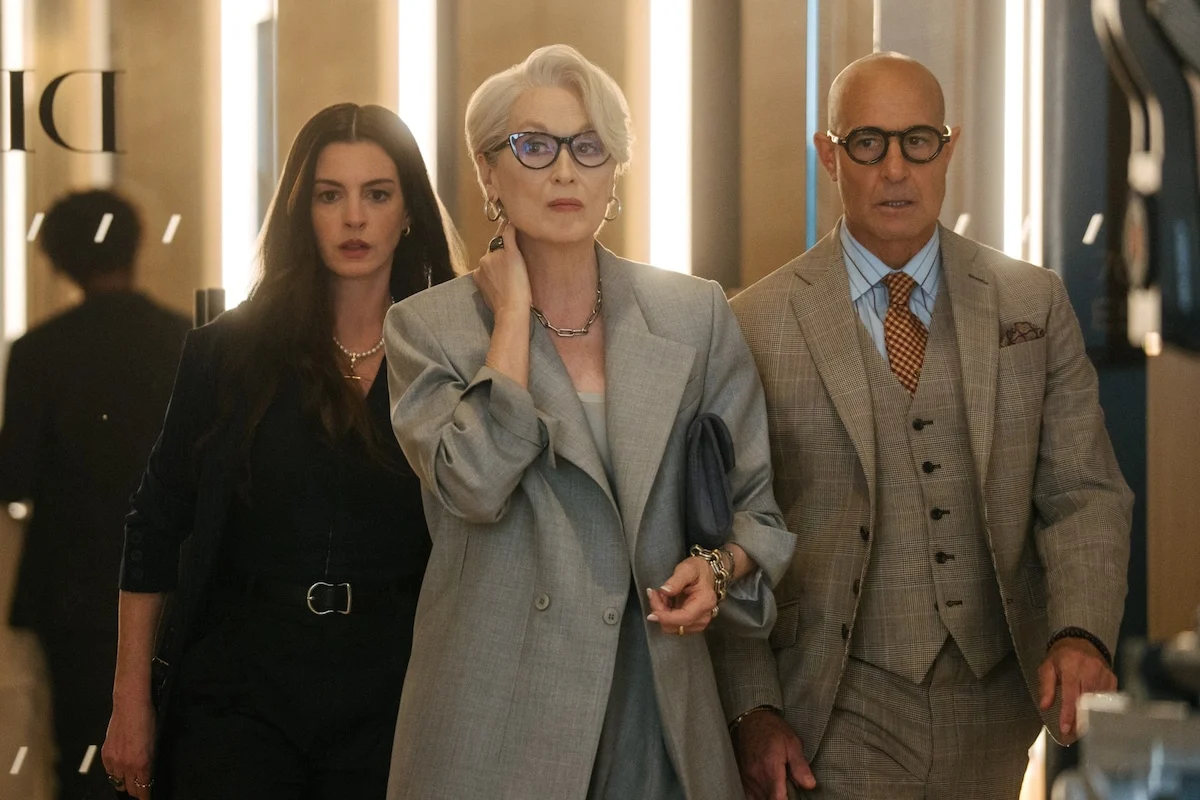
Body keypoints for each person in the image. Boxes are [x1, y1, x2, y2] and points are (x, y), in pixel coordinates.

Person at [710, 52, 1134, 800]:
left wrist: (1080, 631)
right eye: (868, 143)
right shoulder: (755, 324)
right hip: (831, 711)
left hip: (996, 707)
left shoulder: (1031, 304)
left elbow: (1085, 493)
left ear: (949, 147)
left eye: (918, 142)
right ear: (829, 156)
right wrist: (752, 707)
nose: (895, 169)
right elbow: (729, 532)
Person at [383, 44, 795, 800]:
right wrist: (512, 318)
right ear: (488, 172)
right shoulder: (426, 329)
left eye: (589, 146)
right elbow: (473, 485)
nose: (566, 171)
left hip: (657, 710)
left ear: (615, 172)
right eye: (534, 147)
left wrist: (716, 572)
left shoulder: (693, 313)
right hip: (498, 719)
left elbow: (757, 514)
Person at [99, 103, 458, 799]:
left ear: (409, 211)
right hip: (241, 687)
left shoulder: (451, 358)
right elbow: (153, 526)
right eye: (329, 195)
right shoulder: (227, 353)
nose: (353, 218)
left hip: (396, 682)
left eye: (376, 194)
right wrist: (130, 701)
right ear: (303, 211)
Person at [0, 189, 189, 799]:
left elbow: (13, 477)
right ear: (136, 245)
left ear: (59, 261)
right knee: (176, 749)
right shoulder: (186, 341)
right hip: (171, 578)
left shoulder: (39, 352)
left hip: (72, 588)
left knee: (82, 757)